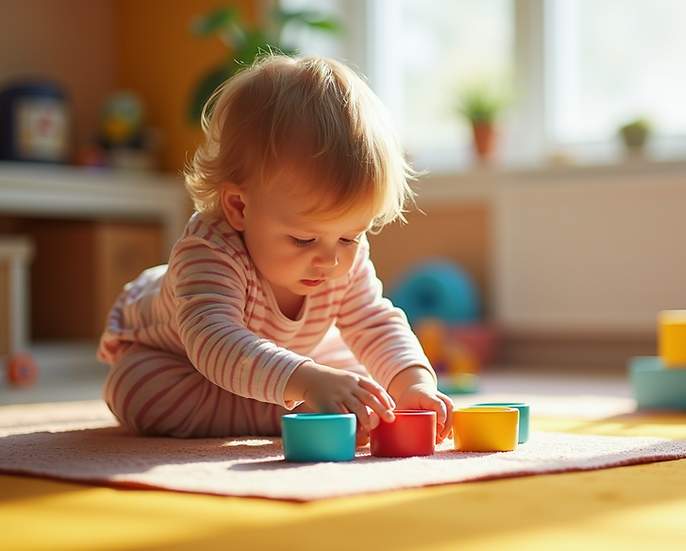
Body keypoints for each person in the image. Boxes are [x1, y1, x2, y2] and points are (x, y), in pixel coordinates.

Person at [97, 54, 454, 443]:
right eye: (304, 239)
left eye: (350, 237)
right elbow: (213, 341)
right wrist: (306, 380)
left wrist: (413, 383)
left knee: (362, 381)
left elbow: (373, 322)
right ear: (239, 207)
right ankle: (284, 409)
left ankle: (296, 399)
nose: (331, 260)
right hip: (178, 358)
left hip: (282, 364)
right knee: (138, 391)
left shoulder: (340, 260)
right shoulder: (209, 251)